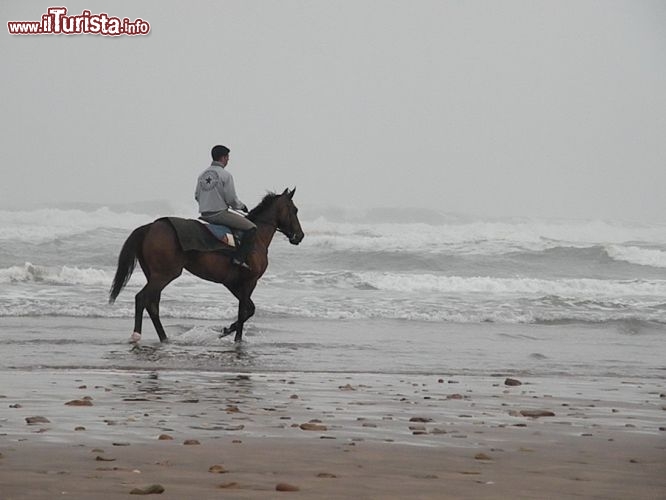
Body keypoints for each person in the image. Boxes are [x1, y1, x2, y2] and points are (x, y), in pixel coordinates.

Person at [195, 145, 257, 270]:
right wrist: (242, 206)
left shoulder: (202, 174)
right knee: (251, 228)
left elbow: (197, 196)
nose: (228, 160)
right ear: (223, 158)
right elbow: (231, 200)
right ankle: (238, 259)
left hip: (204, 214)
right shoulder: (225, 175)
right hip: (219, 214)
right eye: (228, 157)